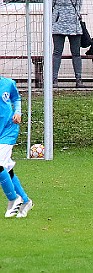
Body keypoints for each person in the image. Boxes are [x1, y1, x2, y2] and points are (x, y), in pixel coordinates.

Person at [0, 76, 34, 218]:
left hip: (8, 130)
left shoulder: (8, 83)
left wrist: (17, 112)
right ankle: (26, 201)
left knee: (0, 165)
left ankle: (14, 199)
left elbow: (16, 98)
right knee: (6, 168)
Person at [52, 0, 84, 88]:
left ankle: (79, 79)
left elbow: (79, 5)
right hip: (59, 25)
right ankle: (54, 79)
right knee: (57, 52)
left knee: (76, 53)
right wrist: (55, 19)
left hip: (75, 25)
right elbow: (50, 5)